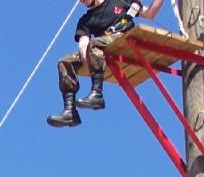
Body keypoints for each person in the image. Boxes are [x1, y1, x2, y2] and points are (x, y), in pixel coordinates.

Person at [47, 0, 164, 128]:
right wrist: (84, 52)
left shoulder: (119, 1)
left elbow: (149, 13)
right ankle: (70, 111)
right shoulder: (86, 20)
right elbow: (83, 41)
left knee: (94, 44)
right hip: (102, 47)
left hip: (124, 40)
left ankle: (97, 93)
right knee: (65, 61)